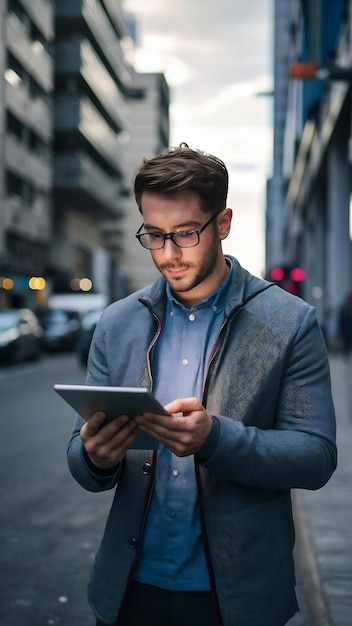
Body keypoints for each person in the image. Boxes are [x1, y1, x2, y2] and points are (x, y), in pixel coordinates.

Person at [67, 144, 337, 626]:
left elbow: (315, 456)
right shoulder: (116, 323)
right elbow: (81, 456)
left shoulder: (289, 322)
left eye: (186, 233)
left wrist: (215, 438)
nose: (168, 254)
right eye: (154, 234)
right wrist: (94, 457)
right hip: (129, 589)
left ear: (224, 223)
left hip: (237, 596)